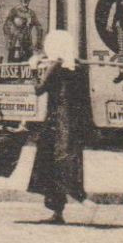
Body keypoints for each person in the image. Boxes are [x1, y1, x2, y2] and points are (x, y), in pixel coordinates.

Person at [28, 29, 88, 224]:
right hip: (71, 122)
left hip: (57, 121)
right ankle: (58, 211)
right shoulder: (76, 67)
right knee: (60, 163)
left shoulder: (55, 65)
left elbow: (38, 89)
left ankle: (60, 208)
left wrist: (33, 68)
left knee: (51, 163)